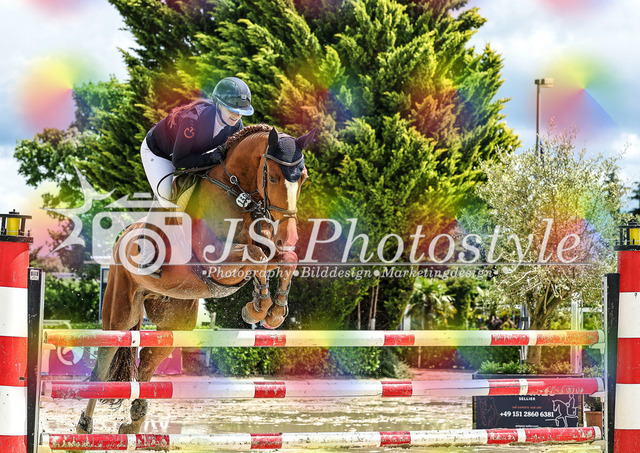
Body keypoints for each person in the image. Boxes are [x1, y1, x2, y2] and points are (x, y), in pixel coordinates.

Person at [140, 76, 254, 207]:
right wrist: (210, 158)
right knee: (166, 199)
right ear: (218, 105)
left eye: (241, 112)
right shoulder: (193, 120)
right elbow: (179, 161)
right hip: (159, 152)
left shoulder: (236, 125)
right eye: (231, 110)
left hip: (191, 151)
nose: (237, 116)